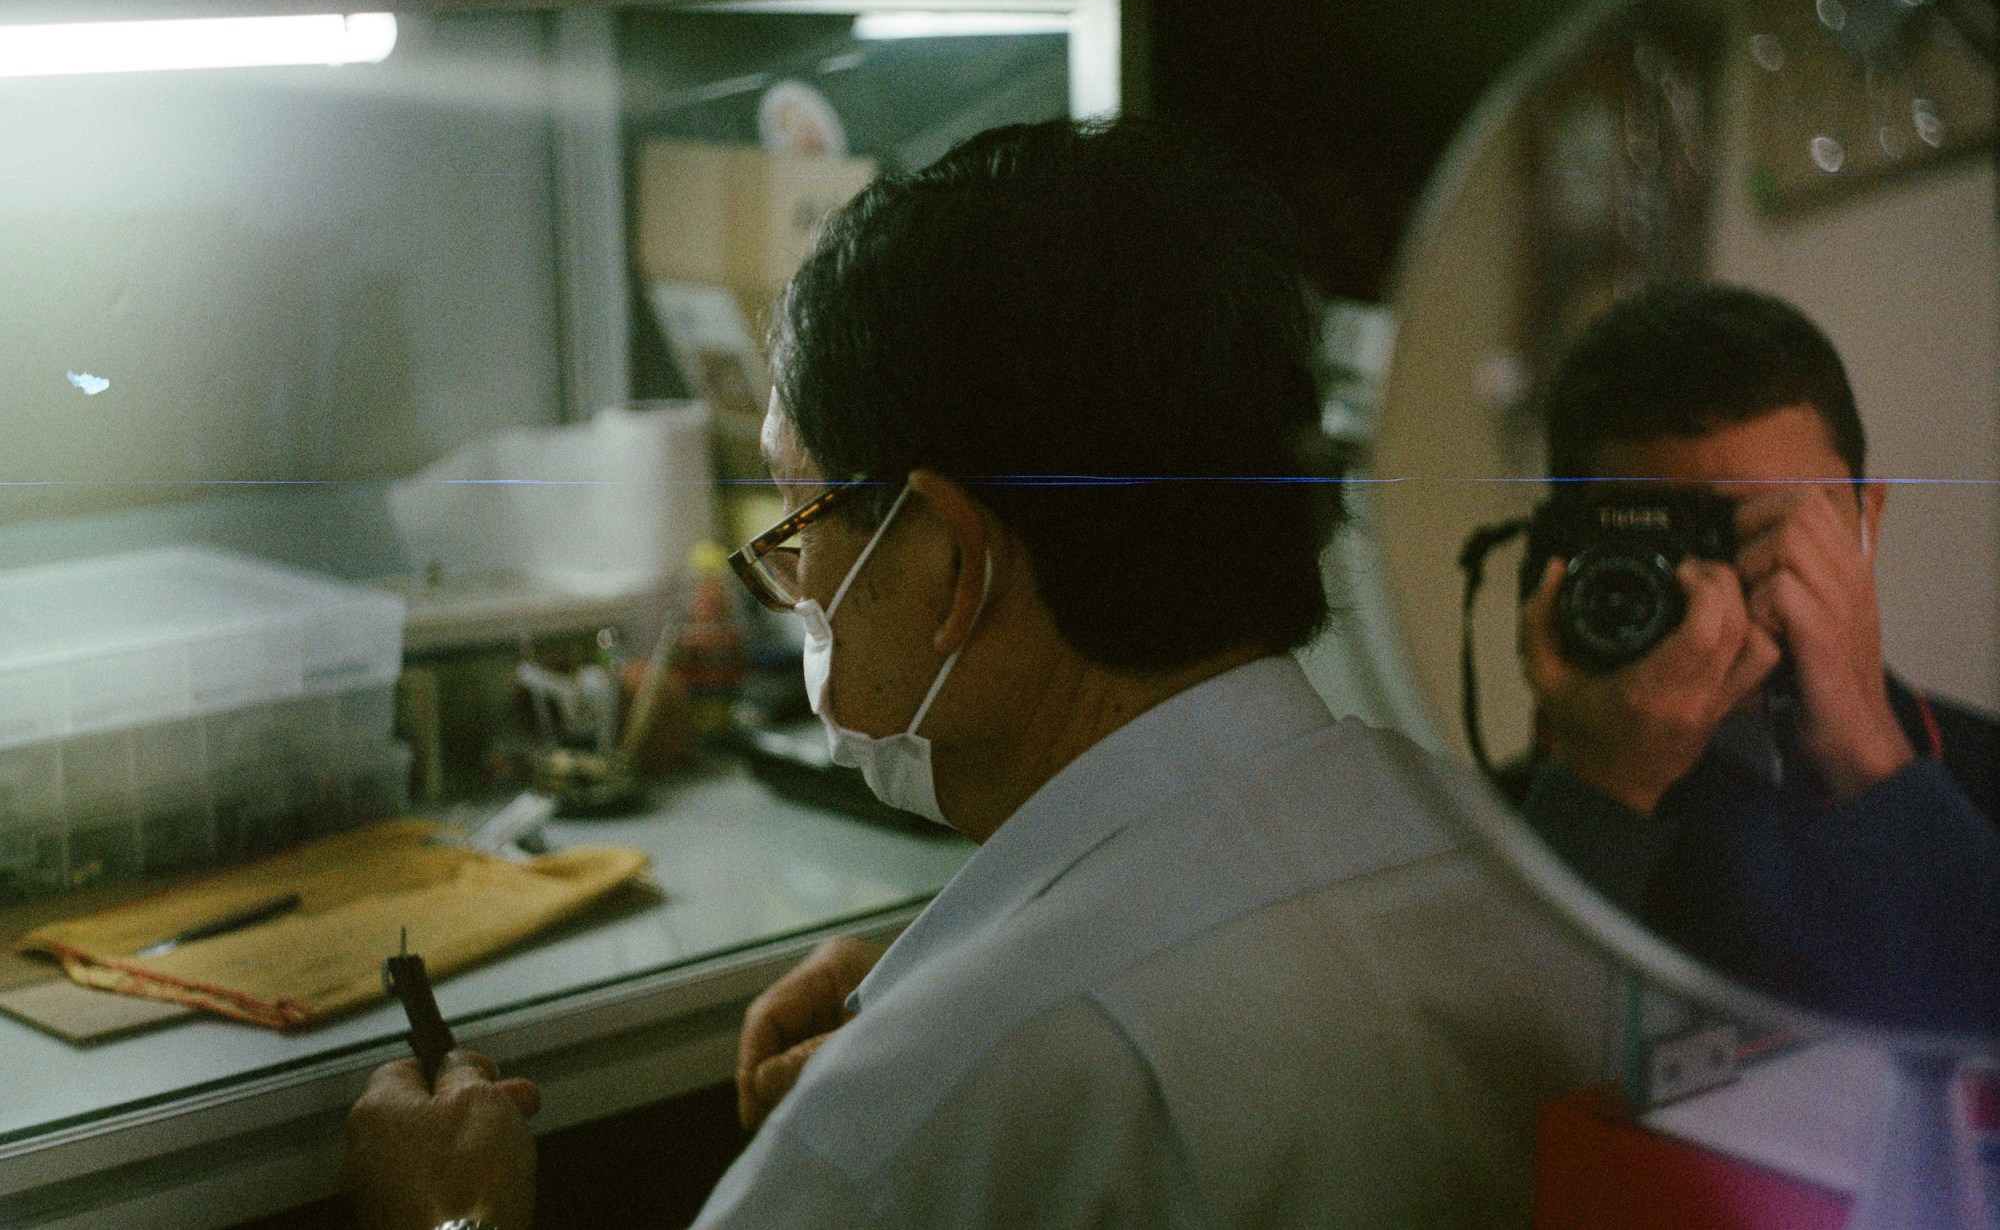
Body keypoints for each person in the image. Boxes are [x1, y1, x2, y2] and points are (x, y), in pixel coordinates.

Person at [343, 118, 1607, 1230]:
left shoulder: (912, 1122)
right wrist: (953, 970)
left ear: (949, 563)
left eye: (800, 518)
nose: (796, 582)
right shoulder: (1515, 876)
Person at [1513, 282, 2000, 1034]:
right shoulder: (1497, 825)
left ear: (1866, 523)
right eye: (1673, 535)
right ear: (1569, 549)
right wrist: (1598, 794)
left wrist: (1870, 752)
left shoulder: (1987, 775)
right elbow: (1485, 1069)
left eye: (1771, 525)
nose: (1723, 585)